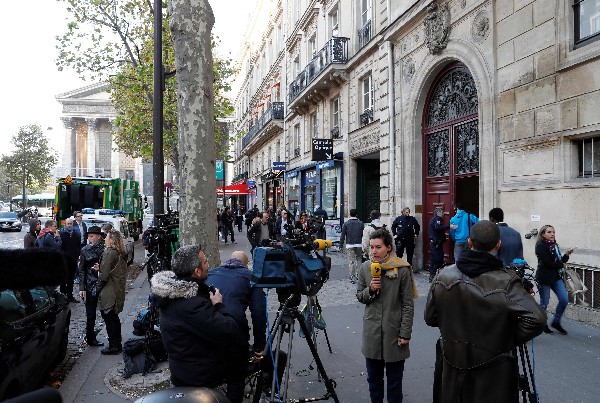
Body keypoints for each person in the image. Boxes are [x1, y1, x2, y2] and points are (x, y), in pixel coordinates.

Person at [424, 220, 546, 403]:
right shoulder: (506, 281)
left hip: (453, 368)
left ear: (469, 242)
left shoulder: (443, 275)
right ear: (498, 245)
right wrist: (502, 337)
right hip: (492, 375)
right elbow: (537, 319)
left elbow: (431, 317)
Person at [150, 244, 241, 388]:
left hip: (182, 369)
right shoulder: (192, 304)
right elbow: (230, 331)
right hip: (199, 376)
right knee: (239, 368)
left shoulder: (170, 294)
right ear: (197, 271)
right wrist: (218, 305)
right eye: (205, 262)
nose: (208, 265)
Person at [356, 228, 416, 403]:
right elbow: (360, 295)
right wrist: (371, 290)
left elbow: (407, 304)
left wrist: (405, 333)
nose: (374, 251)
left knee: (394, 383)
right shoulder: (365, 268)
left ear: (388, 247)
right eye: (371, 247)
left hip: (394, 332)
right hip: (372, 332)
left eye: (378, 247)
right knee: (374, 381)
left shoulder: (402, 269)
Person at [207, 251, 267, 403]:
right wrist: (259, 347)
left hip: (207, 329)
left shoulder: (211, 273)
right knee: (236, 378)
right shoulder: (250, 277)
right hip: (234, 330)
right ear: (246, 265)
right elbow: (258, 314)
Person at [535, 224, 574, 335]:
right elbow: (548, 263)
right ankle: (543, 324)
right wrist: (561, 265)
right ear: (543, 234)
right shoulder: (540, 246)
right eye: (549, 232)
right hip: (544, 278)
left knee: (564, 299)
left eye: (553, 232)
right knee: (544, 303)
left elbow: (561, 261)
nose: (552, 234)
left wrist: (566, 254)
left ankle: (556, 322)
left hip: (556, 277)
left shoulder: (554, 245)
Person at [97, 230, 127, 354]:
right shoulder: (119, 253)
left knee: (109, 318)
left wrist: (96, 288)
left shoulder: (110, 253)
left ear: (112, 240)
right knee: (113, 318)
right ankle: (116, 343)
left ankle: (114, 345)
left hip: (110, 291)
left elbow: (104, 276)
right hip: (116, 289)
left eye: (107, 238)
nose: (105, 239)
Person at [78, 226, 105, 347]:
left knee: (107, 311)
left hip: (104, 283)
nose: (89, 238)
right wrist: (82, 288)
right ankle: (90, 338)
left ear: (98, 237)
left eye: (91, 236)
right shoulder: (85, 250)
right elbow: (82, 270)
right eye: (88, 236)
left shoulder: (105, 248)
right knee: (90, 314)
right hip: (90, 284)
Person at [60, 218, 82, 303]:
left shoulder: (76, 234)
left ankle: (70, 295)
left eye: (71, 224)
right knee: (63, 279)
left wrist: (78, 255)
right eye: (68, 224)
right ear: (65, 224)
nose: (69, 225)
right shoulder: (61, 234)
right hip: (64, 261)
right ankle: (63, 295)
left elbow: (78, 246)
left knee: (71, 279)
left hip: (73, 260)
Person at [428, 207, 454, 283]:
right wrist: (449, 226)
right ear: (438, 212)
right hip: (436, 244)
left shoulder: (433, 219)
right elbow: (438, 227)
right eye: (442, 212)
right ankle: (435, 275)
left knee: (433, 260)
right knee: (438, 260)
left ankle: (432, 275)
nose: (443, 214)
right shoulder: (437, 219)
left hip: (434, 243)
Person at [340, 208, 364, 283]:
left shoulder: (346, 224)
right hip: (359, 244)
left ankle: (352, 276)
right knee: (359, 259)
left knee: (351, 261)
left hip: (349, 244)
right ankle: (360, 275)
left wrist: (340, 245)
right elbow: (363, 234)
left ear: (350, 214)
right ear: (356, 214)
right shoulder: (361, 223)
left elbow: (343, 235)